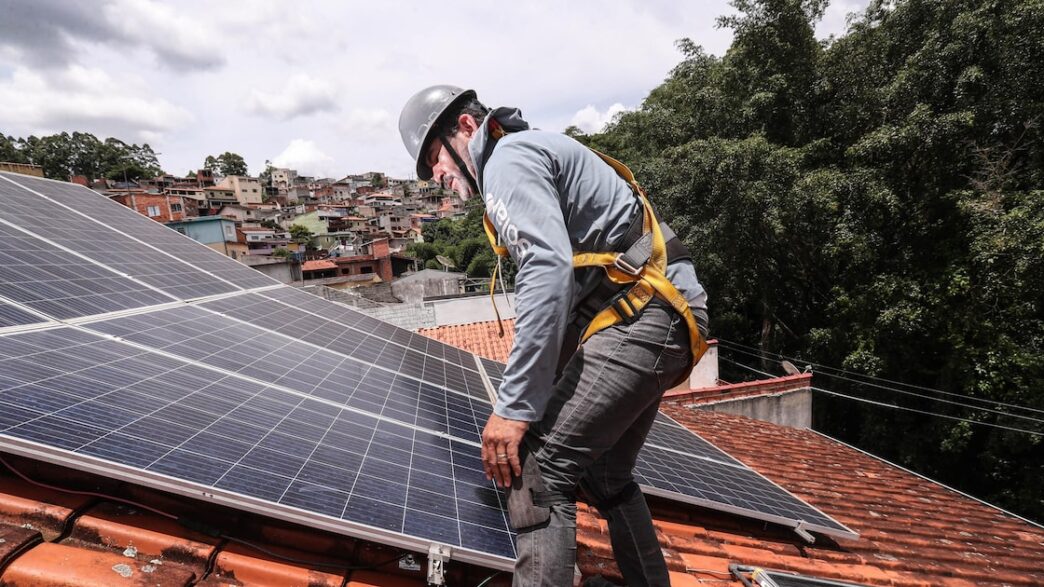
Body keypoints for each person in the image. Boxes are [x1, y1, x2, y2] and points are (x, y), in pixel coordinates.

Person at [399, 85, 709, 587]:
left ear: (467, 130)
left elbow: (548, 270)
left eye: (435, 157)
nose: (437, 175)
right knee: (605, 478)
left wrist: (514, 407)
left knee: (538, 472)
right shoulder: (528, 152)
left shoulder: (507, 162)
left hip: (646, 314)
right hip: (658, 314)